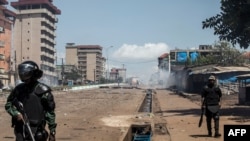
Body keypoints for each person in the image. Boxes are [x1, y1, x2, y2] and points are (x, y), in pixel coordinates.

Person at [5, 61, 57, 141]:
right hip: (21, 130)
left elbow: (50, 113)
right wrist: (16, 113)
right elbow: (8, 104)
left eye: (26, 75)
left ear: (34, 74)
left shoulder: (43, 91)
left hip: (37, 131)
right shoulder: (19, 89)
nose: (24, 77)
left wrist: (52, 132)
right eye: (22, 75)